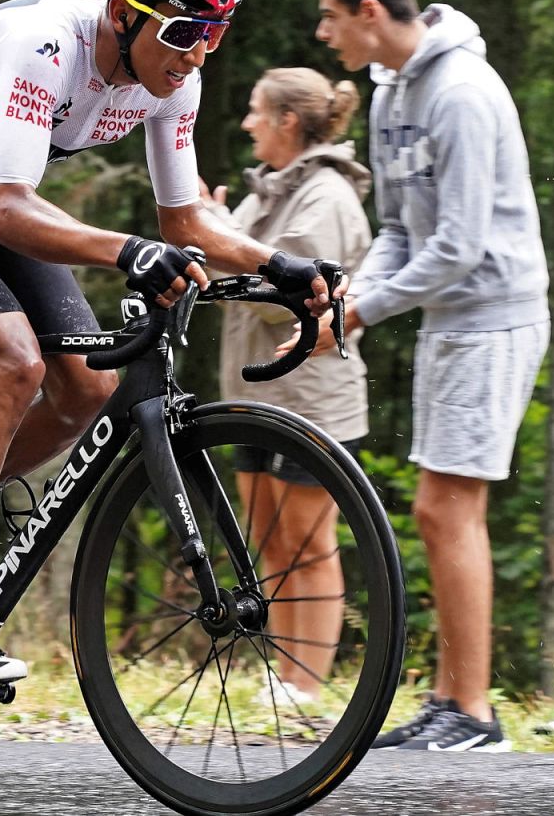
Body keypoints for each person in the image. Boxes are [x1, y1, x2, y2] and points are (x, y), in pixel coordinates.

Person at [0, 0, 334, 687]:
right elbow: (10, 212)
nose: (198, 51)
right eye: (183, 30)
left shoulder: (174, 77)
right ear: (122, 12)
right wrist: (127, 250)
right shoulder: (47, 45)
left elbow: (186, 220)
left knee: (85, 389)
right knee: (11, 364)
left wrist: (279, 263)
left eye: (215, 31)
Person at [302, 0, 551, 751]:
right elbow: (404, 232)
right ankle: (451, 701)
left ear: (370, 13)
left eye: (332, 18)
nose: (323, 34)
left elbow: (463, 245)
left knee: (449, 509)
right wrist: (351, 293)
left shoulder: (463, 93)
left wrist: (365, 312)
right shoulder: (389, 94)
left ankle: (474, 713)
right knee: (439, 510)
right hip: (451, 318)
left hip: (496, 314)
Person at [200, 68, 372, 705]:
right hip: (259, 395)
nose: (246, 123)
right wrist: (214, 220)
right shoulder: (272, 190)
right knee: (268, 534)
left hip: (310, 399)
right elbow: (232, 250)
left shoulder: (325, 196)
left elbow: (288, 301)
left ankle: (306, 683)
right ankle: (287, 671)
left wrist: (224, 241)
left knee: (306, 539)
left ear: (287, 122)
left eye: (255, 111)